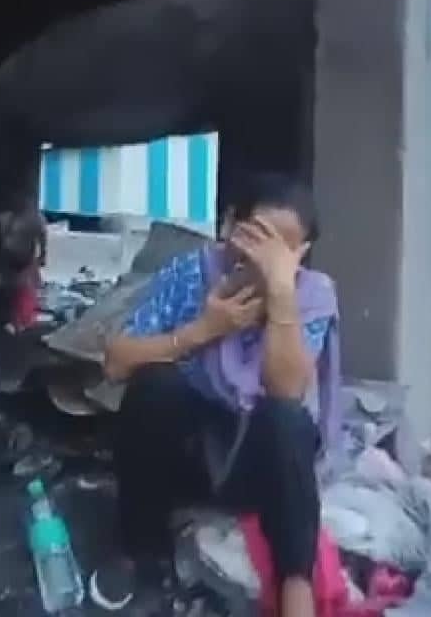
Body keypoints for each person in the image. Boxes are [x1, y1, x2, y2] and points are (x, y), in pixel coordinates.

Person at [93, 173, 341, 616]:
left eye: (281, 251)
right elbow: (115, 362)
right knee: (156, 385)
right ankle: (137, 547)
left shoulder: (311, 295)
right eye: (257, 239)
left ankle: (295, 585)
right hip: (189, 457)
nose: (264, 261)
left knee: (286, 419)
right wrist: (203, 331)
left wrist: (281, 294)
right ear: (229, 225)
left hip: (258, 467)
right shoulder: (193, 273)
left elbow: (287, 390)